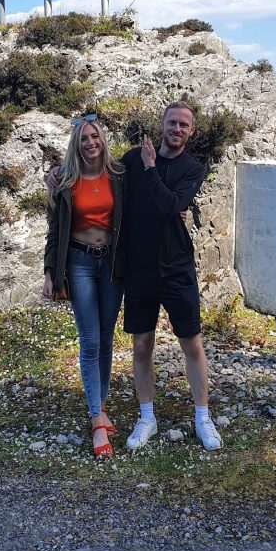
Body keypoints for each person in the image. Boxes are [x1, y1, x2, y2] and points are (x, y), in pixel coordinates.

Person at [121, 101, 222, 451]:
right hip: (139, 269)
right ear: (161, 124)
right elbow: (100, 177)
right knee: (142, 345)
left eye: (183, 125)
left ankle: (202, 417)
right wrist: (60, 173)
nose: (177, 130)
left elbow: (168, 205)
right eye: (172, 123)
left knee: (191, 344)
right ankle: (146, 417)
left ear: (191, 131)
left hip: (176, 269)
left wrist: (151, 171)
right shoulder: (133, 158)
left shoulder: (194, 168)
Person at [42, 115, 124, 458]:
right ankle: (96, 419)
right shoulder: (64, 181)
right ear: (76, 144)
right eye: (84, 138)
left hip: (112, 264)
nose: (91, 142)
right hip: (78, 263)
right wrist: (50, 272)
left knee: (106, 338)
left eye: (95, 136)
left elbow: (145, 199)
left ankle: (101, 405)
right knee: (89, 339)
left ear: (102, 140)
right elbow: (54, 231)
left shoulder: (119, 176)